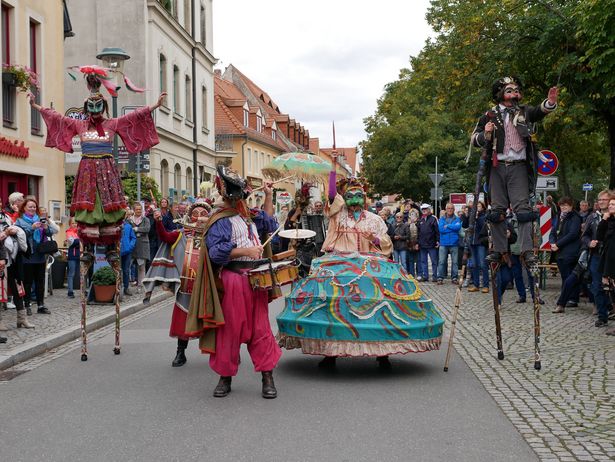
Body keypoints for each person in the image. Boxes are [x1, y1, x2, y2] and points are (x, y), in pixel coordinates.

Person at [277, 161, 443, 370]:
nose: (354, 200)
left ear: (364, 198)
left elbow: (386, 244)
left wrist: (373, 239)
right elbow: (330, 195)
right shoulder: (338, 217)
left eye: (358, 195)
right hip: (340, 260)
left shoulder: (374, 219)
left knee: (381, 304)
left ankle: (382, 352)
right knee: (331, 304)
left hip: (370, 261)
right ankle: (331, 353)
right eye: (349, 196)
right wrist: (333, 168)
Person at [28, 71, 164, 253]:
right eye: (91, 106)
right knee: (89, 205)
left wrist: (155, 105)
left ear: (103, 106)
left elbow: (134, 117)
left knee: (109, 208)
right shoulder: (80, 125)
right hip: (87, 170)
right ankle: (88, 242)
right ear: (86, 108)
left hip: (107, 170)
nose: (94, 110)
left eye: (98, 106)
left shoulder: (112, 124)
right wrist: (35, 105)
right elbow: (57, 118)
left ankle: (109, 241)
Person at [185, 166, 280, 399]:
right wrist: (247, 250)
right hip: (234, 280)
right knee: (230, 329)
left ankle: (267, 376)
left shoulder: (250, 216)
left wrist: (268, 195)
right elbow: (217, 253)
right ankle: (225, 377)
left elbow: (268, 223)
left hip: (257, 280)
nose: (243, 199)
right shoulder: (220, 220)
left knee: (261, 329)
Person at [471, 76, 558, 265]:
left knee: (523, 209)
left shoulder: (524, 111)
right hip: (496, 167)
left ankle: (527, 249)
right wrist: (485, 133)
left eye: (516, 89)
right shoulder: (490, 115)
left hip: (518, 166)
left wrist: (550, 103)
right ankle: (499, 249)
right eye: (509, 90)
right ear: (500, 94)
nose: (514, 93)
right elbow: (474, 139)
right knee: (496, 211)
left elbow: (539, 111)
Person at [16, 197, 57, 315]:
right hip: (27, 255)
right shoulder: (19, 221)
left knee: (40, 281)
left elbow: (49, 233)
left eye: (34, 207)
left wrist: (46, 228)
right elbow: (20, 235)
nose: (33, 209)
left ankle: (41, 305)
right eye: (30, 207)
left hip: (40, 255)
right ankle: (27, 305)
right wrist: (32, 228)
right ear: (24, 208)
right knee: (27, 282)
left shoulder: (39, 219)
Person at [0, 207, 33, 333]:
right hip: (2, 259)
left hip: (13, 258)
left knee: (18, 288)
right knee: (1, 292)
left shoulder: (6, 217)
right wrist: (6, 233)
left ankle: (22, 318)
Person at [583, 190, 614, 328]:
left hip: (611, 256)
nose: (601, 202)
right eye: (599, 199)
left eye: (604, 199)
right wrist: (589, 242)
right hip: (597, 255)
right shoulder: (592, 217)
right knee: (597, 286)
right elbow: (584, 235)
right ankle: (603, 315)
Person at [551, 197, 582, 313]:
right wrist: (552, 242)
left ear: (571, 205)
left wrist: (558, 244)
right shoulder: (560, 216)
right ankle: (569, 297)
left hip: (570, 251)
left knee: (570, 277)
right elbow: (553, 231)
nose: (563, 207)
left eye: (566, 205)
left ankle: (572, 299)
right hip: (559, 252)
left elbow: (573, 234)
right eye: (561, 205)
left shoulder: (575, 217)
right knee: (565, 276)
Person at [597, 197, 615, 330]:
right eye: (610, 204)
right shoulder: (608, 221)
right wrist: (604, 219)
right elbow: (599, 236)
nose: (610, 206)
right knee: (611, 292)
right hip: (608, 258)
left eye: (613, 204)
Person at [127, 202, 150, 293]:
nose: (138, 211)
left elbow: (147, 229)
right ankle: (127, 285)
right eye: (137, 209)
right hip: (132, 245)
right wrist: (139, 232)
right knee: (127, 266)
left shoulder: (145, 219)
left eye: (140, 209)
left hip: (142, 246)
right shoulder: (129, 220)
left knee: (141, 267)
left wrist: (136, 229)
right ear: (133, 210)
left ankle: (140, 285)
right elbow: (128, 230)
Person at [437, 203, 461, 284]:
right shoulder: (441, 219)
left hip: (454, 243)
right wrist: (452, 227)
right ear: (446, 209)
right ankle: (440, 277)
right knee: (441, 262)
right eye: (448, 208)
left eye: (451, 208)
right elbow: (441, 230)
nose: (450, 210)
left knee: (455, 262)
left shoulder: (457, 219)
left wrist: (447, 226)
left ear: (454, 209)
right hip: (443, 243)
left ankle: (454, 278)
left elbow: (457, 228)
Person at [468, 201, 489, 293]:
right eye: (476, 206)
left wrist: (476, 217)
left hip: (480, 243)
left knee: (483, 264)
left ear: (483, 208)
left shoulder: (484, 216)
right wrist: (466, 215)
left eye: (479, 206)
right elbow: (465, 224)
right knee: (474, 264)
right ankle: (476, 285)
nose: (477, 208)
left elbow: (483, 227)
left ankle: (486, 285)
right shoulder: (472, 216)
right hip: (472, 242)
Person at [416, 203, 439, 282]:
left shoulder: (433, 219)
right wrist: (417, 243)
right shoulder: (420, 220)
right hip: (422, 244)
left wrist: (438, 241)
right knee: (423, 261)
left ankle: (435, 276)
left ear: (429, 210)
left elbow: (437, 231)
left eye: (426, 209)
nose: (424, 211)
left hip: (431, 244)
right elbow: (418, 233)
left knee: (434, 261)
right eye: (423, 209)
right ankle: (425, 276)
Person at [120, 215, 137, 297]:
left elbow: (133, 238)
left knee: (126, 270)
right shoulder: (115, 226)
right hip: (117, 252)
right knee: (117, 271)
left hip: (127, 251)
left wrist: (130, 246)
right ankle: (118, 287)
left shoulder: (128, 226)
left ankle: (126, 287)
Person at [65, 218, 80, 299]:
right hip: (72, 256)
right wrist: (79, 240)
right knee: (71, 274)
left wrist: (77, 241)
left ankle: (83, 290)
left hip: (79, 255)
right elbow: (72, 242)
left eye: (76, 223)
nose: (75, 225)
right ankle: (70, 291)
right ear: (70, 224)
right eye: (73, 223)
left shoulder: (78, 232)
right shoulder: (69, 232)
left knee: (81, 274)